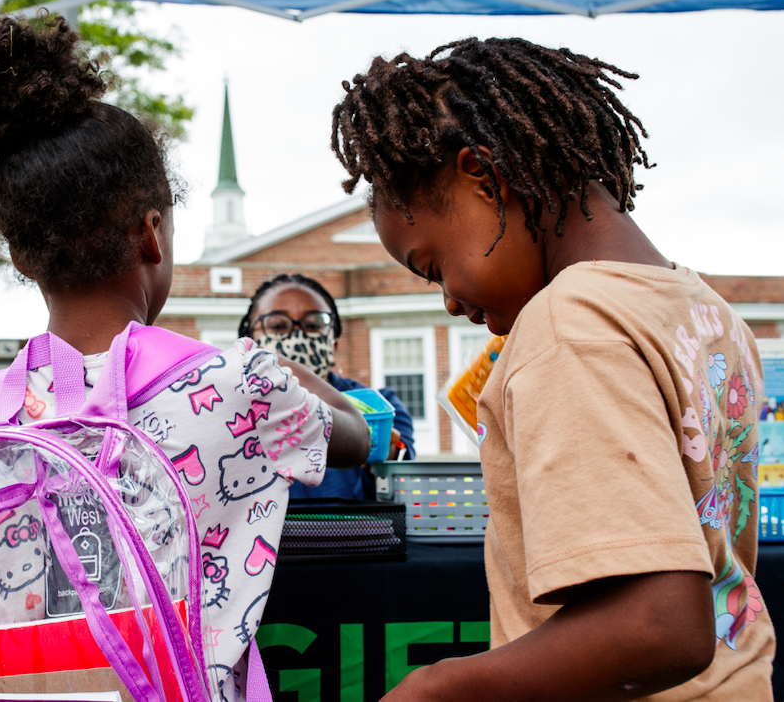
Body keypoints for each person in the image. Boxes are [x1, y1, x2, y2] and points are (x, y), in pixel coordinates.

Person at [0, 8, 370, 702]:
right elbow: (358, 438)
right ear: (150, 234)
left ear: (20, 254)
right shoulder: (237, 383)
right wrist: (283, 367)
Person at [331, 38, 774, 700]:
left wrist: (438, 687)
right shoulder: (704, 312)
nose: (448, 299)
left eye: (431, 266)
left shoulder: (567, 323)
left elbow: (658, 625)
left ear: (481, 174)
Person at [238, 273, 416, 500]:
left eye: (314, 324)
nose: (297, 336)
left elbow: (405, 470)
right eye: (278, 325)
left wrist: (387, 458)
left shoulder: (381, 407)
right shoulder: (232, 408)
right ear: (248, 340)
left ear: (334, 345)